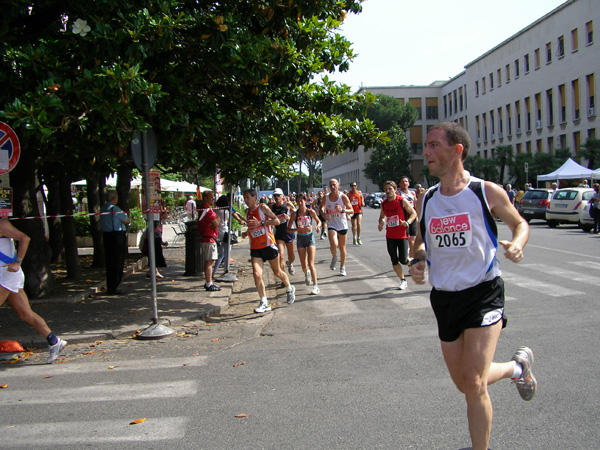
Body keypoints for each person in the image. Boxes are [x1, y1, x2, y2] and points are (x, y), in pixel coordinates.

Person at [410, 122, 537, 450]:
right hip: (445, 298)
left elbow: (519, 223)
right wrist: (418, 260)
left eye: (433, 145)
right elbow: (420, 242)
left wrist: (518, 242)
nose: (426, 152)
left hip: (483, 292)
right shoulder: (429, 200)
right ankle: (517, 367)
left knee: (476, 382)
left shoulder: (486, 191)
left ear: (457, 151)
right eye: (425, 146)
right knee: (464, 383)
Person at [0, 219, 67, 363]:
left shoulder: (2, 224)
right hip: (5, 276)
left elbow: (25, 238)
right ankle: (54, 341)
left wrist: (18, 262)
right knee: (26, 314)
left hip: (7, 276)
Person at [242, 188, 296, 312]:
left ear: (254, 197)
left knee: (277, 273)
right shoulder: (247, 212)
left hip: (268, 245)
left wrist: (261, 222)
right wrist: (246, 233)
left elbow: (276, 221)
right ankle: (264, 302)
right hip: (255, 248)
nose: (245, 200)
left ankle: (289, 288)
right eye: (244, 198)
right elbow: (252, 227)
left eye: (247, 198)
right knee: (256, 274)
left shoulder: (263, 208)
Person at [378, 181, 417, 290]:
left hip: (402, 234)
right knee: (394, 260)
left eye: (390, 189)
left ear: (395, 189)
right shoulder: (384, 203)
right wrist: (381, 222)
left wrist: (408, 222)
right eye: (386, 189)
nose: (388, 191)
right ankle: (403, 280)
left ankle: (413, 263)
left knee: (403, 259)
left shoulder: (402, 201)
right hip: (390, 235)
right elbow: (382, 216)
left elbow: (413, 213)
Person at [287, 193, 322, 294]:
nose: (300, 203)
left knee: (311, 263)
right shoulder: (295, 214)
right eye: (298, 201)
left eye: (302, 201)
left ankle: (315, 286)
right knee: (303, 265)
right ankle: (307, 273)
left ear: (305, 201)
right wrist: (296, 229)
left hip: (309, 237)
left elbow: (318, 221)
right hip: (300, 239)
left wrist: (318, 226)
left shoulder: (310, 212)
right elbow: (288, 229)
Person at [320, 179, 353, 276]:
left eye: (334, 185)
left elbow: (351, 211)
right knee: (334, 244)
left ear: (338, 185)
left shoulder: (343, 197)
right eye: (331, 185)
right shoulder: (326, 197)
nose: (332, 187)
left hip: (342, 224)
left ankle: (342, 267)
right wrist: (323, 214)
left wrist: (342, 210)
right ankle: (334, 257)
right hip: (332, 224)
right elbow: (321, 207)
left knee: (342, 247)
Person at [100, 190, 130, 295]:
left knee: (109, 262)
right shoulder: (115, 209)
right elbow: (126, 220)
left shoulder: (103, 208)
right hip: (117, 236)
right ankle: (114, 286)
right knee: (117, 261)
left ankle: (110, 285)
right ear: (114, 198)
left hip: (107, 235)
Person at [197, 190, 221, 291]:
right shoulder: (207, 210)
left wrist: (216, 218)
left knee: (208, 261)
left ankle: (208, 281)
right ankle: (209, 283)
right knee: (210, 261)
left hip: (206, 238)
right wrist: (217, 218)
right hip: (209, 238)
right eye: (211, 197)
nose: (213, 199)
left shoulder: (204, 209)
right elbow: (216, 223)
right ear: (206, 198)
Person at [270, 188, 297, 276]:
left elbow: (296, 216)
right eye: (275, 196)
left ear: (282, 196)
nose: (276, 197)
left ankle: (289, 263)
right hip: (279, 233)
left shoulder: (288, 204)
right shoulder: (272, 207)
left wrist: (289, 218)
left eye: (278, 195)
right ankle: (284, 277)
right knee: (281, 256)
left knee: (291, 256)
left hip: (289, 232)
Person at [398, 176, 418, 260]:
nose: (404, 183)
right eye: (402, 182)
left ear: (409, 183)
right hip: (403, 217)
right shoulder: (398, 193)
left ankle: (412, 259)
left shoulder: (412, 193)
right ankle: (404, 256)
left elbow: (416, 206)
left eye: (406, 181)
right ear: (400, 184)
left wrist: (417, 217)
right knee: (405, 240)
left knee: (412, 240)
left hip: (412, 217)